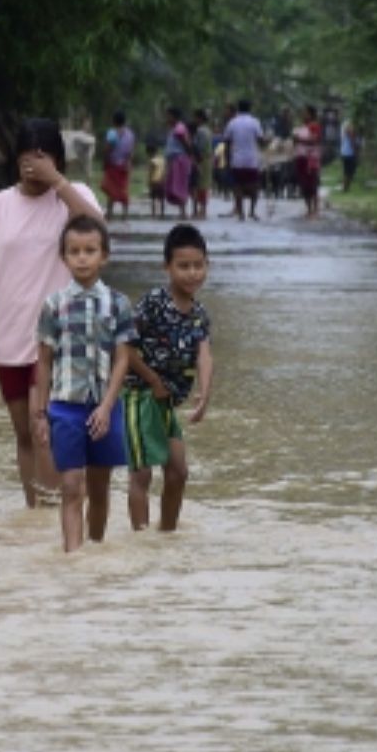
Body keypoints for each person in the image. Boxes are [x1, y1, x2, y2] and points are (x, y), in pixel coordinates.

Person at [0, 118, 106, 508]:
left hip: (63, 336)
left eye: (43, 160)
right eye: (27, 161)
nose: (34, 169)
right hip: (9, 334)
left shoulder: (73, 197)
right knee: (23, 433)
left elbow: (99, 233)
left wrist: (58, 183)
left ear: (57, 161)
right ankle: (35, 514)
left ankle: (60, 511)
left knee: (49, 429)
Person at [32, 216, 136, 552]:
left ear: (104, 256)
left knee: (100, 487)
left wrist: (107, 406)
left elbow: (123, 358)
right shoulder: (53, 305)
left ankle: (94, 548)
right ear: (63, 257)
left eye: (90, 250)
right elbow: (44, 360)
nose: (82, 258)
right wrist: (40, 412)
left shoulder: (119, 304)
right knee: (71, 486)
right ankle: (73, 558)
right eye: (74, 251)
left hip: (105, 405)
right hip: (64, 406)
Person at [122, 224, 213, 532]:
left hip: (165, 403)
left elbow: (204, 354)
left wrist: (204, 393)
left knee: (178, 473)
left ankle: (166, 535)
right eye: (183, 266)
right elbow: (124, 348)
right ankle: (141, 539)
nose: (192, 273)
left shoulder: (199, 313)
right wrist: (152, 380)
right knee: (142, 475)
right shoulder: (154, 303)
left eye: (198, 266)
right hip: (137, 397)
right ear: (167, 267)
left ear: (207, 265)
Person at [223, 99, 265, 221]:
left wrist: (227, 159)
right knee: (254, 186)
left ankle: (241, 213)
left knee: (238, 187)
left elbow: (226, 142)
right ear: (249, 108)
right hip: (252, 160)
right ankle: (252, 211)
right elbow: (261, 140)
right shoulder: (255, 122)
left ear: (238, 108)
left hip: (237, 160)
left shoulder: (232, 123)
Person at [100, 111, 135, 220]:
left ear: (114, 121)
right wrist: (129, 163)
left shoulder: (112, 133)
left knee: (110, 189)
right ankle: (125, 214)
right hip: (124, 166)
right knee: (123, 188)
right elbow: (130, 151)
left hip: (113, 165)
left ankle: (110, 213)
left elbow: (107, 149)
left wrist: (105, 161)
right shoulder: (130, 134)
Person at [294, 105, 323, 218]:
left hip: (311, 158)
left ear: (311, 114)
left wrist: (299, 139)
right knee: (304, 184)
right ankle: (308, 208)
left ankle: (315, 209)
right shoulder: (302, 127)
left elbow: (314, 139)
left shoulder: (314, 126)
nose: (303, 115)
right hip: (301, 156)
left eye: (305, 113)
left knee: (312, 183)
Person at [163, 107, 192, 218]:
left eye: (168, 116)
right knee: (175, 185)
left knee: (180, 185)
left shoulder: (179, 128)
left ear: (174, 116)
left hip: (179, 160)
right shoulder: (173, 129)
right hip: (174, 159)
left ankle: (183, 212)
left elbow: (185, 143)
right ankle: (181, 211)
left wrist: (190, 155)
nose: (167, 118)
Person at [190, 109, 214, 219]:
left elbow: (198, 147)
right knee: (204, 185)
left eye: (195, 117)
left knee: (198, 185)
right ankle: (202, 209)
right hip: (207, 160)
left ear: (199, 118)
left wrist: (196, 160)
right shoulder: (208, 130)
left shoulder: (200, 131)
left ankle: (197, 210)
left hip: (201, 160)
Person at [147, 144, 166, 218]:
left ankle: (153, 214)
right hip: (161, 181)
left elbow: (150, 173)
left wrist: (149, 182)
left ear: (149, 153)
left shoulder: (151, 161)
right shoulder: (162, 159)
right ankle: (162, 214)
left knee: (153, 199)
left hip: (154, 181)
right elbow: (164, 171)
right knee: (162, 199)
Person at [341, 120, 360, 192]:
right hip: (349, 154)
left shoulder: (346, 134)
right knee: (349, 172)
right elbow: (353, 144)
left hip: (345, 153)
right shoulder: (350, 134)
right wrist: (356, 153)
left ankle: (345, 187)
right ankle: (345, 187)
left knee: (347, 171)